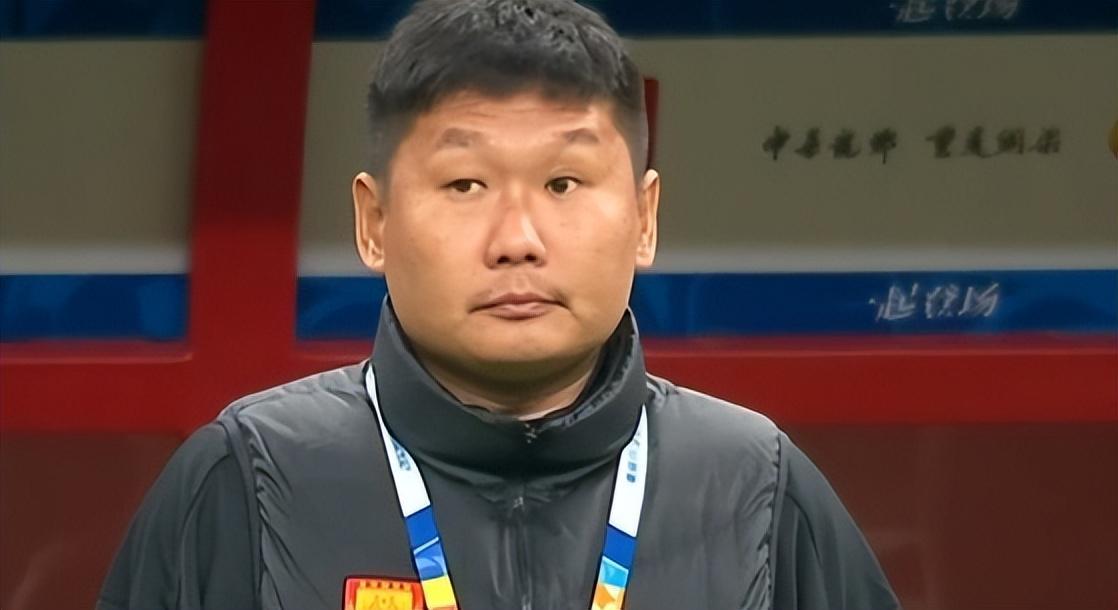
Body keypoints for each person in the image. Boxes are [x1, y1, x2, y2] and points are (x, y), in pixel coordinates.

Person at [98, 1, 901, 609]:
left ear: (645, 217)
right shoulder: (249, 476)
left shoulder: (753, 483)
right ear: (374, 223)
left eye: (563, 183)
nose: (517, 239)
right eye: (465, 184)